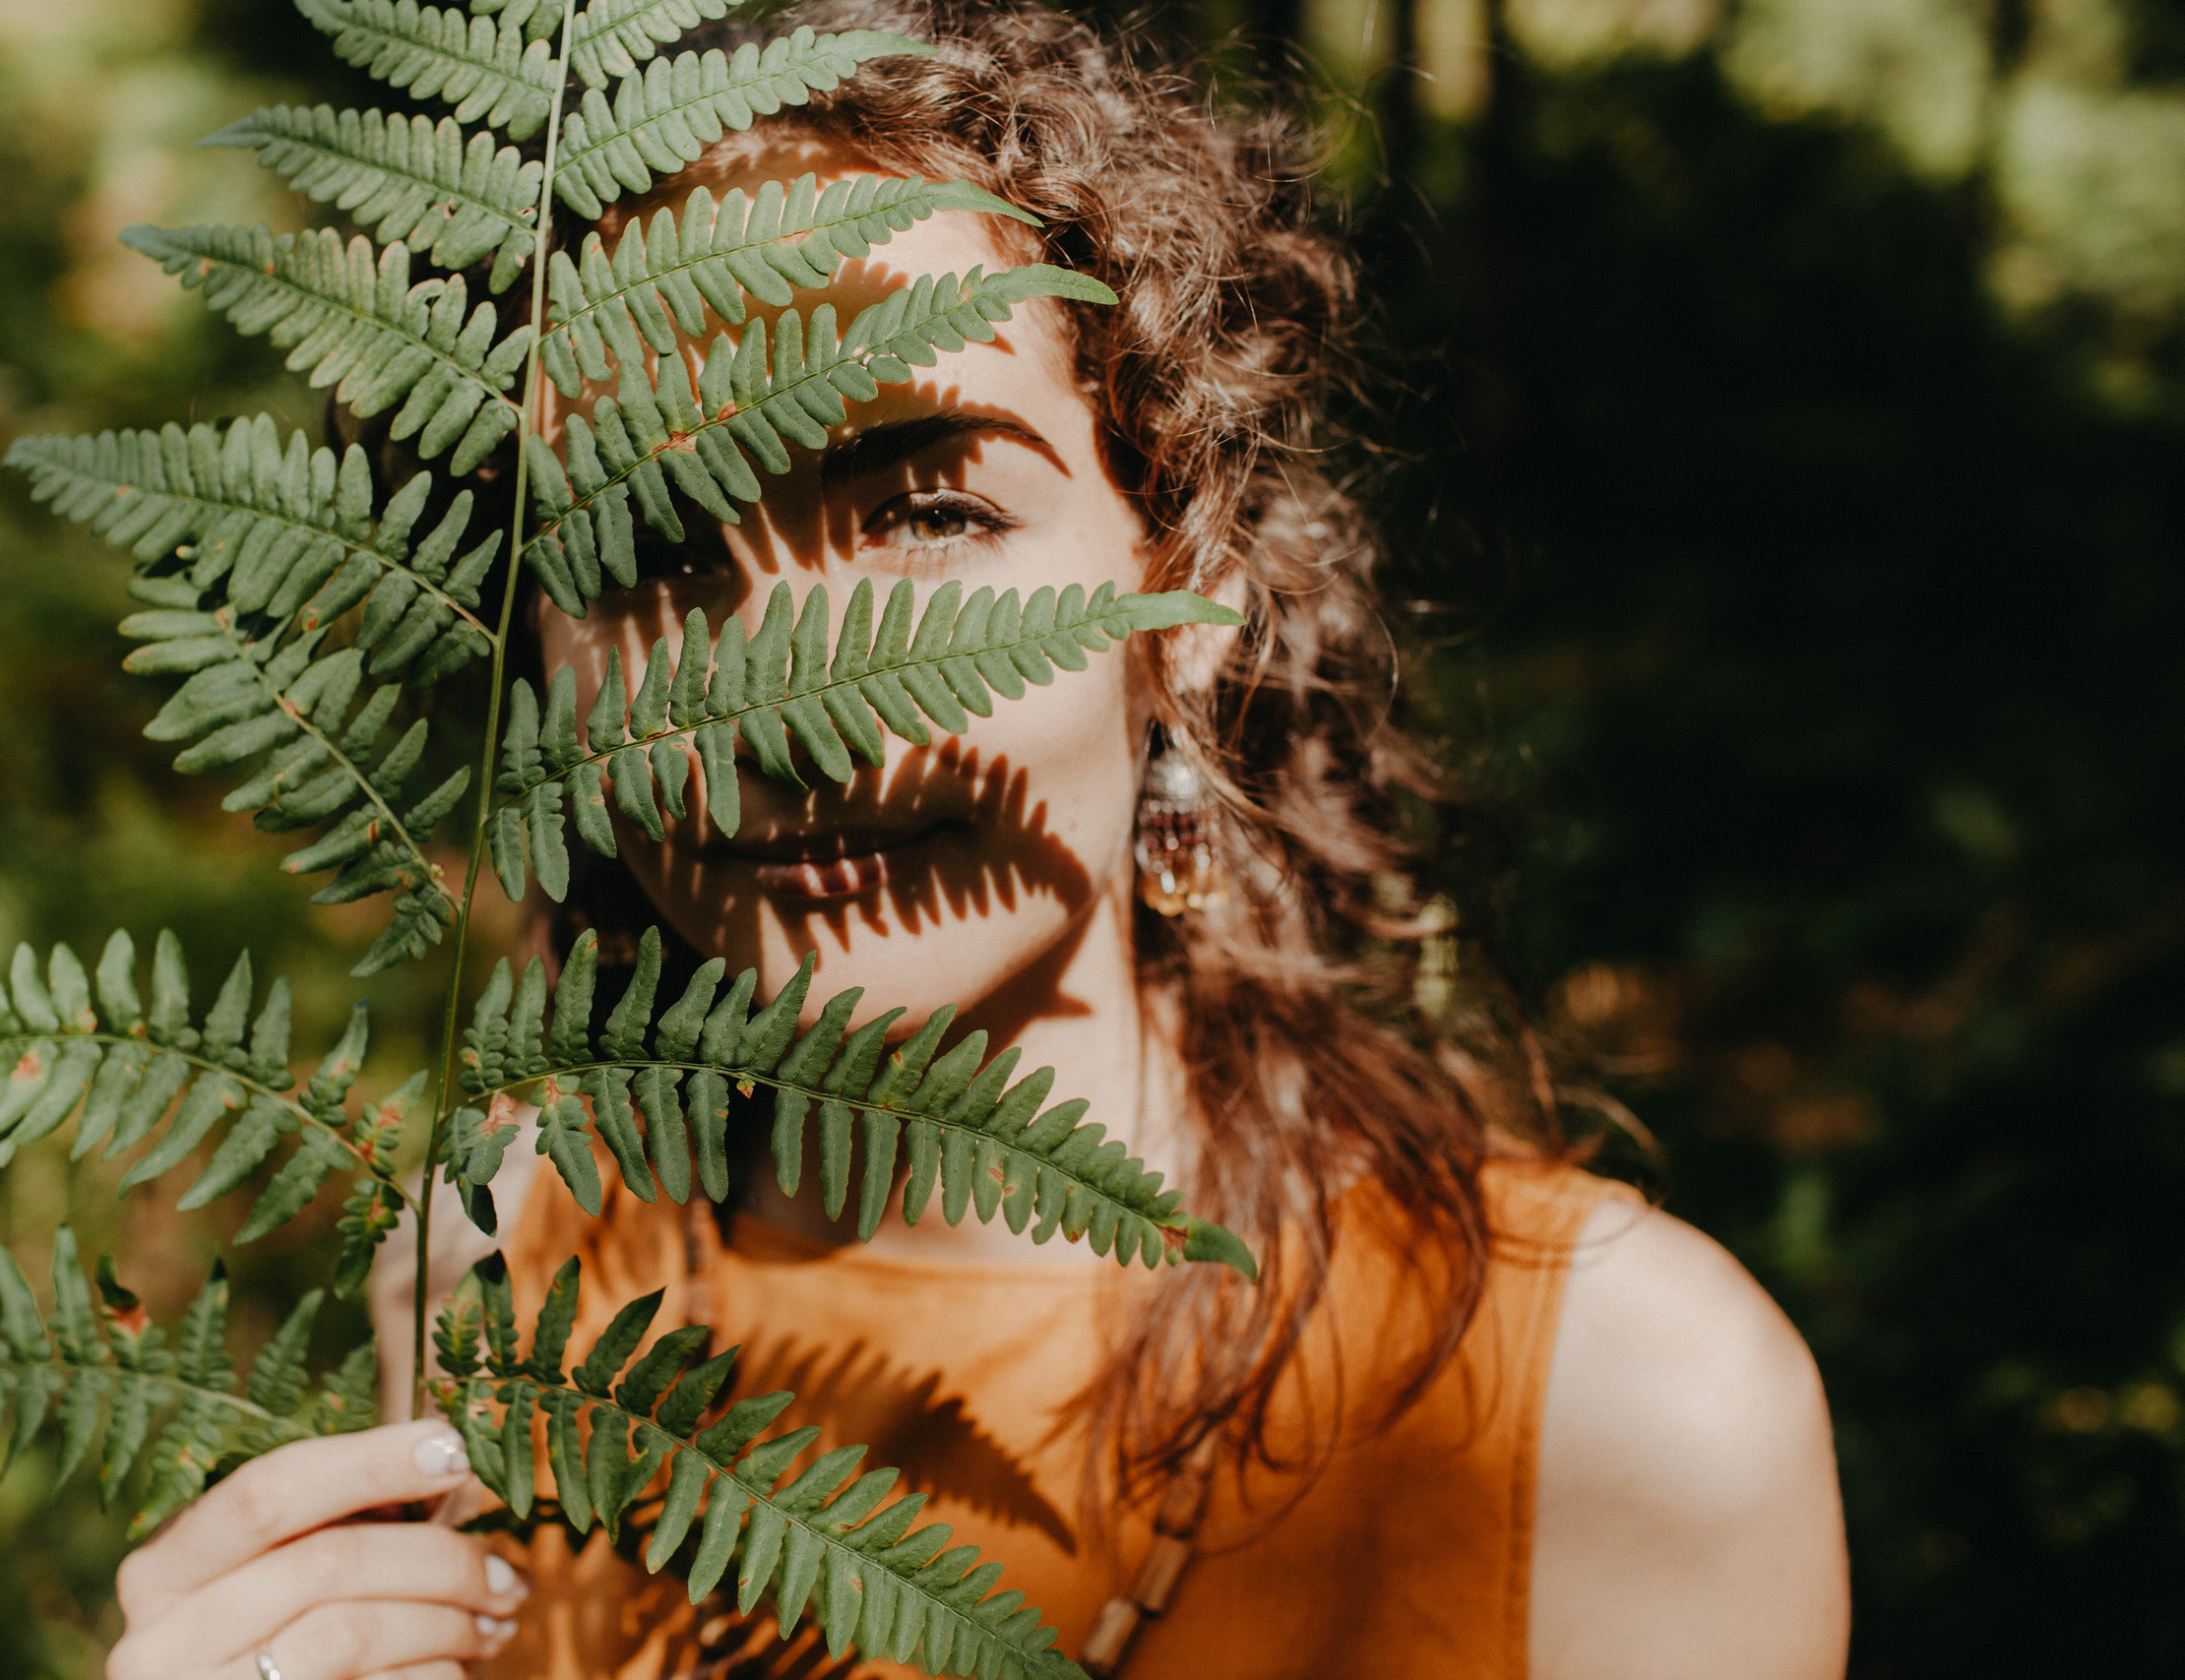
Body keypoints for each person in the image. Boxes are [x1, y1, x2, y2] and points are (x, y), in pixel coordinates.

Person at [105, 3, 1848, 1676]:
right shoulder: (495, 1255)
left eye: (931, 511)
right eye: (649, 548)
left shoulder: (1617, 1415)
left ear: (1191, 593)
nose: (778, 709)